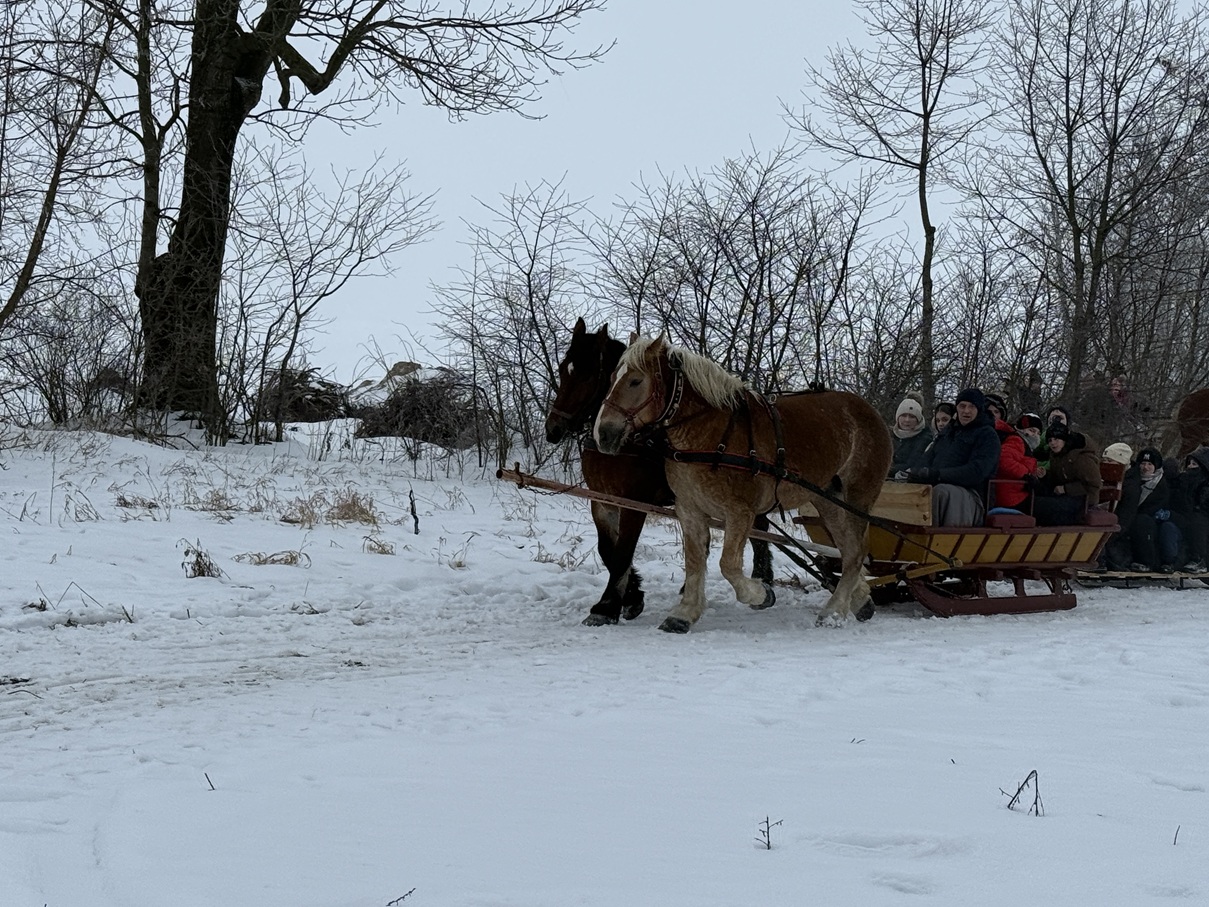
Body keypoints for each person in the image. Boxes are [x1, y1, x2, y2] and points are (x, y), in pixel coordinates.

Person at [906, 388, 1001, 526]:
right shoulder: (948, 432)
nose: (966, 411)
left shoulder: (988, 435)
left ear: (979, 409)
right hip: (939, 484)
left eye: (971, 406)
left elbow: (977, 471)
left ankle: (933, 534)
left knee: (941, 493)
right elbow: (927, 457)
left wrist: (938, 475)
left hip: (972, 494)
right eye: (962, 406)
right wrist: (915, 473)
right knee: (907, 489)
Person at [1103, 448, 1175, 572]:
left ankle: (1146, 561)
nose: (1145, 468)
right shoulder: (1132, 478)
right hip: (1131, 518)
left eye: (1149, 464)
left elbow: (1156, 507)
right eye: (1143, 463)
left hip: (1150, 521)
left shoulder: (1160, 486)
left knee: (1142, 522)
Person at [1033, 421, 1102, 525]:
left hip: (1085, 500)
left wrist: (1066, 489)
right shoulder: (1056, 455)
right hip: (1066, 497)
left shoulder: (1081, 457)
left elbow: (1094, 485)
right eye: (1050, 440)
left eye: (1056, 439)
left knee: (1044, 506)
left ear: (1064, 439)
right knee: (1036, 500)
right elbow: (1058, 478)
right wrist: (1045, 475)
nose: (1052, 443)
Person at [990, 411, 1045, 512]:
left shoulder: (1025, 445)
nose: (1035, 435)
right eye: (1032, 430)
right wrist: (1026, 474)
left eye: (1038, 433)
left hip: (1015, 494)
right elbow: (1004, 460)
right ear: (1022, 429)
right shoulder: (1017, 441)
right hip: (1012, 497)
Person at [1170, 446, 1209, 573]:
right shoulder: (1183, 479)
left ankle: (1199, 559)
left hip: (1199, 517)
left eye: (1194, 464)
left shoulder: (1205, 484)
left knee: (1197, 523)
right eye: (1189, 464)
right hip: (1182, 514)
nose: (1190, 467)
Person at [888, 393, 931, 477]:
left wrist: (885, 469)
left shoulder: (925, 439)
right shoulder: (889, 435)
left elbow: (912, 464)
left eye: (912, 417)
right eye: (903, 415)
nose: (907, 420)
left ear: (918, 420)